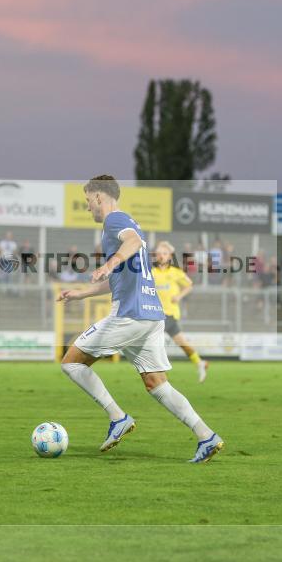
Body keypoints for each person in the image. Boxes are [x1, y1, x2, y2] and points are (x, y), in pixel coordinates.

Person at [56, 176, 222, 463]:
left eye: (87, 202)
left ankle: (117, 417)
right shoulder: (127, 223)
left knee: (71, 361)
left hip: (130, 315)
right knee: (157, 383)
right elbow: (117, 278)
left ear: (98, 197)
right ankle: (206, 436)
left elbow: (131, 244)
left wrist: (109, 263)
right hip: (151, 316)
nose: (87, 208)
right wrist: (82, 293)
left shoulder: (115, 221)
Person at [152, 241, 209, 382]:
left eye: (164, 253)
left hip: (169, 313)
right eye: (158, 253)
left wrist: (179, 296)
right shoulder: (151, 272)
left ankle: (159, 372)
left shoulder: (175, 272)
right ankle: (200, 363)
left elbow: (189, 285)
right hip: (155, 312)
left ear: (170, 256)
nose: (161, 256)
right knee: (182, 343)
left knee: (153, 341)